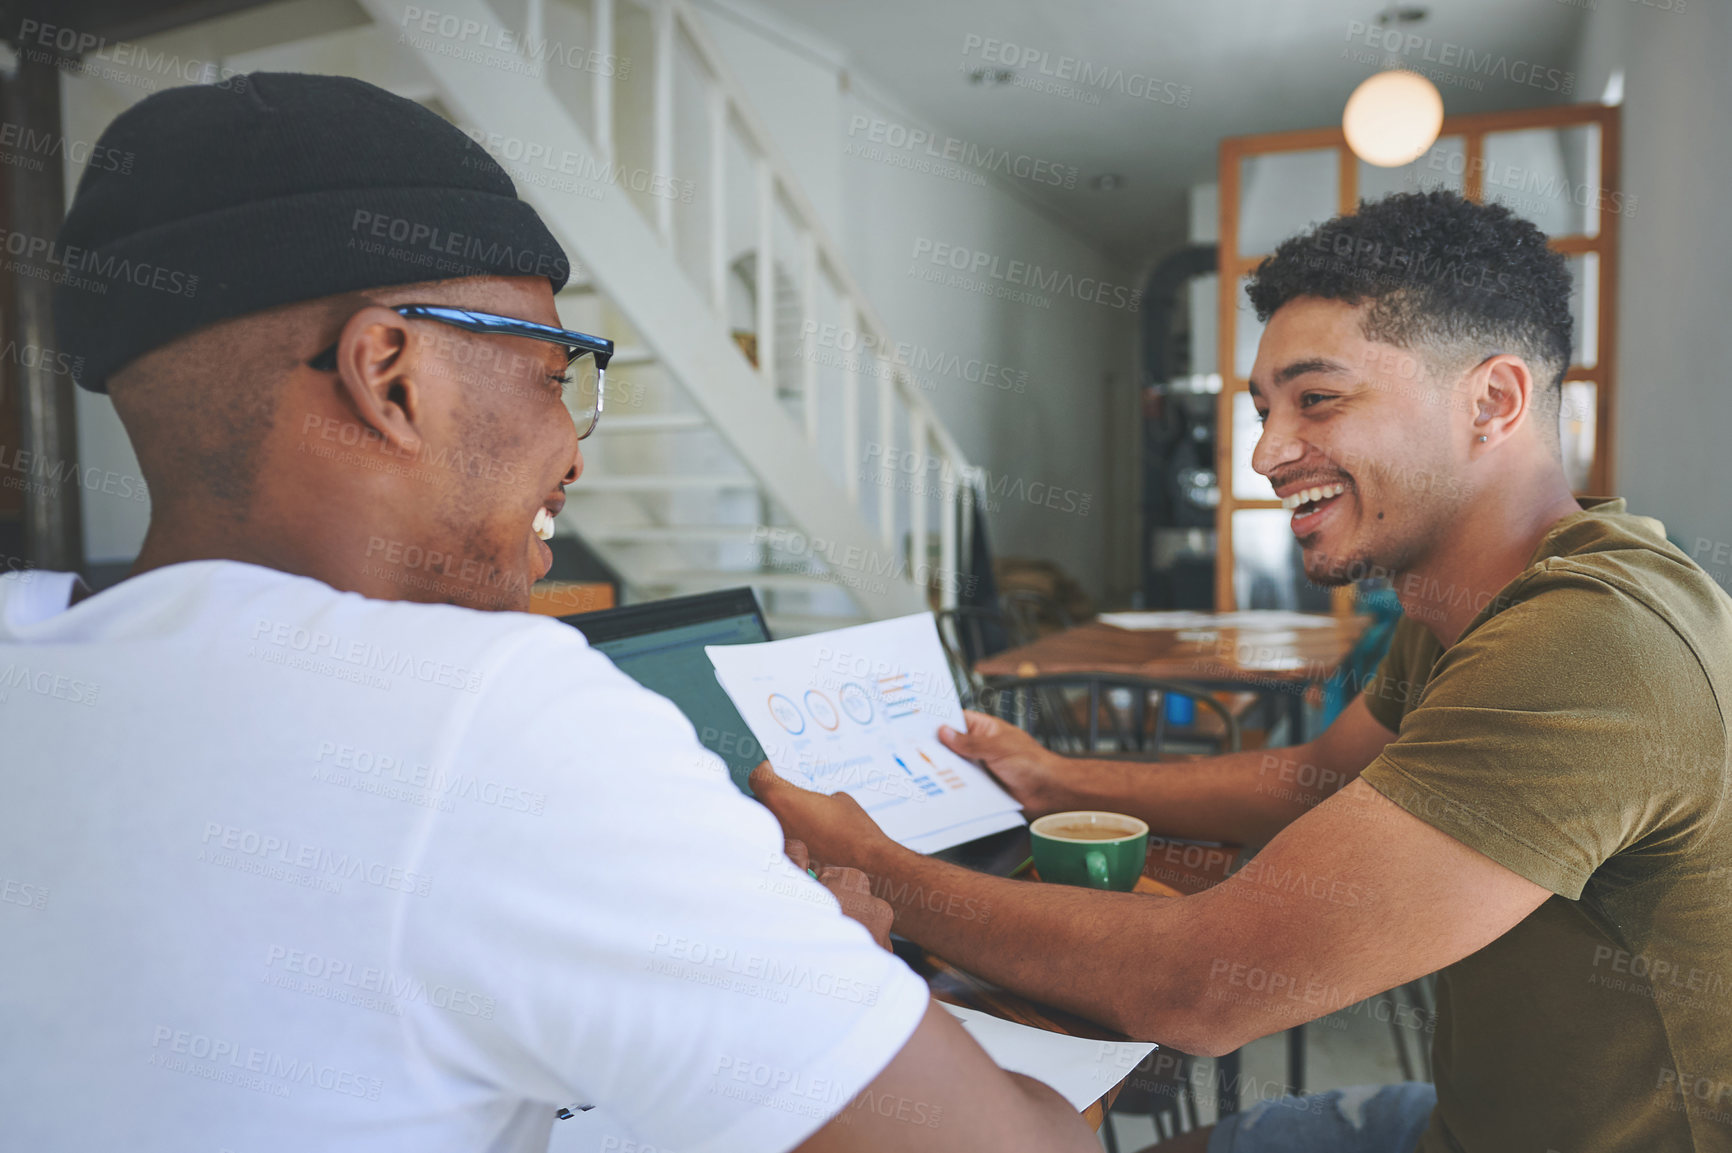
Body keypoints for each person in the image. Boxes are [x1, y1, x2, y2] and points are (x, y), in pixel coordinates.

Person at [0, 73, 1098, 1153]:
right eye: (556, 372)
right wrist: (830, 981)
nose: (574, 451)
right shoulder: (487, 714)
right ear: (390, 376)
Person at [756, 190, 1732, 1153]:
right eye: (1264, 408)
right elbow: (1314, 775)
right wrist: (1058, 778)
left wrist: (876, 865)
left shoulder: (1592, 640)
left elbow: (1207, 987)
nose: (1267, 451)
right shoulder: (1482, 595)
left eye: (1317, 399)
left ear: (1491, 400)